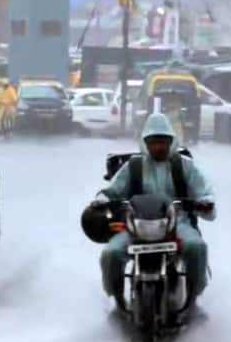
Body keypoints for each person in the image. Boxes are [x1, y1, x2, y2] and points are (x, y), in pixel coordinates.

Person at [93, 113, 217, 319]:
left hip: (178, 223)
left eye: (163, 141)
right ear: (145, 143)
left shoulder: (185, 165)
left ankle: (193, 299)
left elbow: (204, 191)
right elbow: (111, 191)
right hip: (136, 226)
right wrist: (102, 199)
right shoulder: (133, 166)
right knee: (111, 253)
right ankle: (117, 301)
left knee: (197, 247)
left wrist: (204, 202)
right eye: (154, 142)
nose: (159, 146)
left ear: (171, 141)